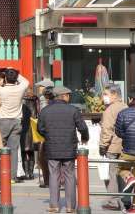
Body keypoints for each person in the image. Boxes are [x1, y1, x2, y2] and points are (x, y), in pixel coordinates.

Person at [36, 86, 89, 214]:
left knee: (53, 175)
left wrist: (48, 136)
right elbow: (82, 127)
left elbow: (40, 128)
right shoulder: (73, 110)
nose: (69, 97)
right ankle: (71, 207)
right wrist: (84, 137)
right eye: (68, 95)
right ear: (64, 96)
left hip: (52, 146)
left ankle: (54, 205)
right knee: (69, 175)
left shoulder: (45, 110)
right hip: (69, 147)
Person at [0, 66, 29, 182]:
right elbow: (26, 81)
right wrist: (13, 71)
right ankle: (12, 177)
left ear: (5, 79)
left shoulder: (0, 90)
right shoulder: (20, 88)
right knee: (13, 150)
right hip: (17, 121)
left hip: (3, 120)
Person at [98, 84, 127, 212]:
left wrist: (103, 146)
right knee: (124, 174)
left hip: (113, 147)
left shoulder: (110, 110)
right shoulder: (125, 106)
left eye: (106, 94)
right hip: (125, 146)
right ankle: (126, 199)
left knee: (112, 174)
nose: (103, 97)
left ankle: (113, 201)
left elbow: (107, 130)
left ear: (114, 95)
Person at [21, 86, 38, 181]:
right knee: (31, 151)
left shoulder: (22, 101)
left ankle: (26, 173)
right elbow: (37, 114)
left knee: (24, 151)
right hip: (33, 127)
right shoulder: (35, 100)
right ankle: (31, 173)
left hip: (24, 127)